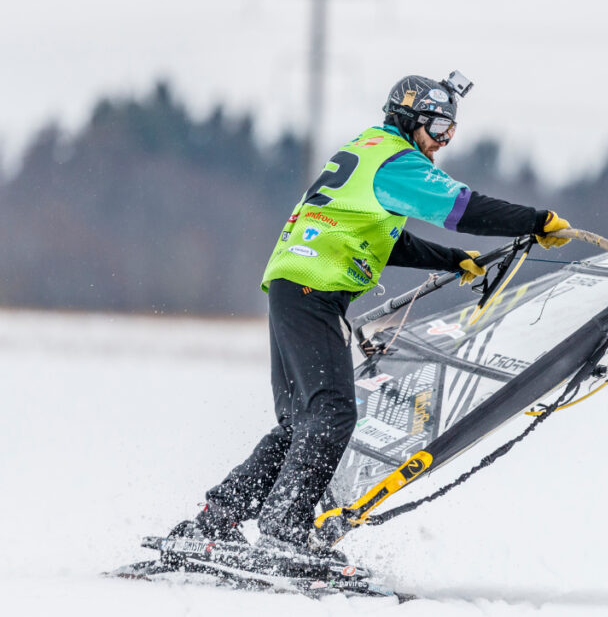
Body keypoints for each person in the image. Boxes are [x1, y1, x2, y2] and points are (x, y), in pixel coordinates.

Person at [172, 71, 572, 554]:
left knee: (303, 426)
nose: (442, 143)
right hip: (313, 292)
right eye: (439, 129)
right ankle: (283, 531)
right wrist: (535, 221)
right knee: (335, 414)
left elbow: (380, 235)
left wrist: (448, 259)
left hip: (291, 287)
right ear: (410, 120)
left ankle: (218, 519)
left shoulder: (367, 149)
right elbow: (463, 208)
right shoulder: (398, 161)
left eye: (450, 133)